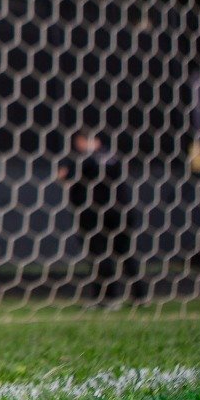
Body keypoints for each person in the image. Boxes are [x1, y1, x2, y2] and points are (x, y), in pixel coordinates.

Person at [58, 127, 145, 307]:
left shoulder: (84, 159)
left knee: (99, 255)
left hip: (95, 215)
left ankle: (107, 299)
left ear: (82, 141)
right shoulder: (110, 155)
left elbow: (66, 177)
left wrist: (65, 175)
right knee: (125, 255)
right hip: (121, 212)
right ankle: (140, 297)